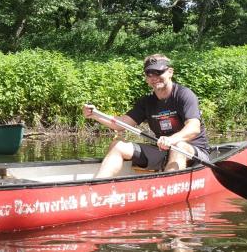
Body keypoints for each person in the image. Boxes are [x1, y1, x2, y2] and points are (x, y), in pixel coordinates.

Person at [82, 54, 210, 178]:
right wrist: (94, 115)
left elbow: (194, 128)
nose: (154, 77)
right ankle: (97, 186)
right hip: (163, 151)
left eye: (158, 72)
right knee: (118, 145)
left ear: (170, 72)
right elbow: (120, 124)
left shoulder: (184, 95)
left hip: (194, 153)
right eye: (149, 73)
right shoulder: (147, 102)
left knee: (178, 146)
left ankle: (168, 186)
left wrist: (171, 140)